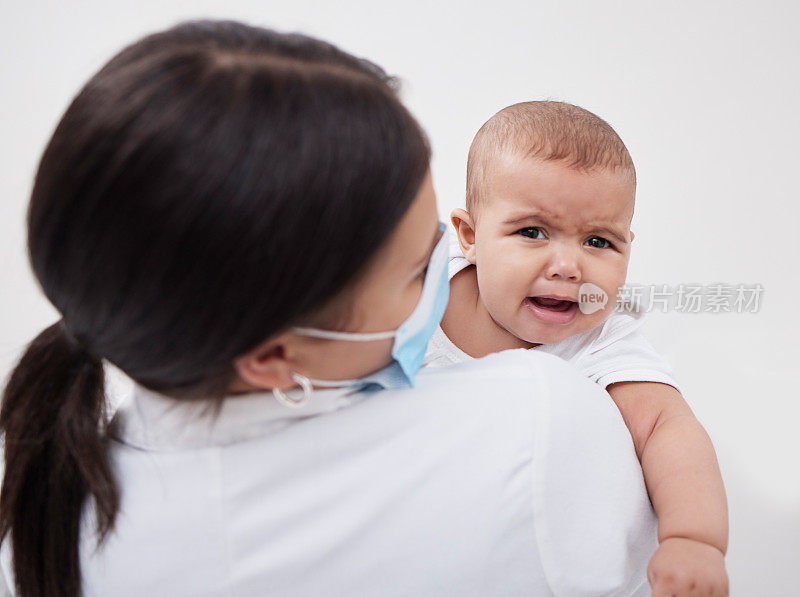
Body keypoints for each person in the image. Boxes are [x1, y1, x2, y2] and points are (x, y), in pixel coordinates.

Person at [0, 20, 656, 597]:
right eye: (415, 270)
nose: (450, 274)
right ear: (274, 356)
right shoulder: (536, 425)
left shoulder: (45, 525)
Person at [423, 101, 729, 595]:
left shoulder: (602, 338)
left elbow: (666, 427)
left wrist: (694, 538)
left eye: (599, 242)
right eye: (532, 232)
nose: (568, 266)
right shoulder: (419, 289)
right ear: (470, 236)